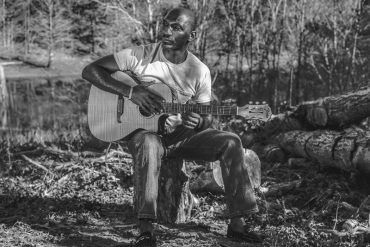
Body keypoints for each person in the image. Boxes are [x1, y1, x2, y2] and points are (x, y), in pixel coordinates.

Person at [82, 6, 263, 247]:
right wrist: (131, 91)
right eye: (165, 24)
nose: (167, 31)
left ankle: (238, 225)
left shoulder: (199, 71)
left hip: (181, 138)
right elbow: (90, 70)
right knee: (148, 142)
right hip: (146, 135)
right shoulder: (139, 56)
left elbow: (205, 116)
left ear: (192, 36)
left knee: (231, 142)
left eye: (176, 27)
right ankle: (146, 230)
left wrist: (199, 122)